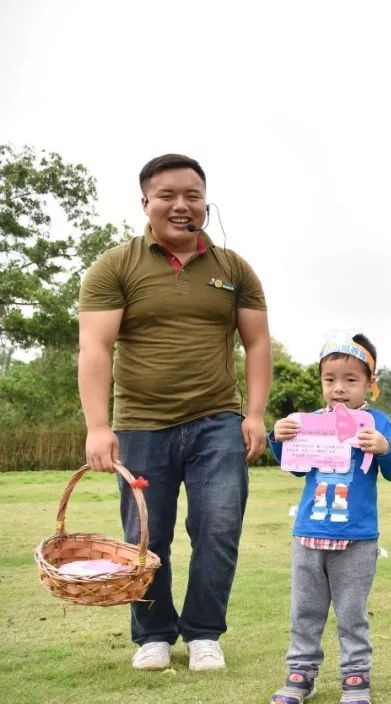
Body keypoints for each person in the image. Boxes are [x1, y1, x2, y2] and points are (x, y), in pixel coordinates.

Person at [77, 153, 271, 672]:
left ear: (206, 202)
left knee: (219, 528)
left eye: (193, 195)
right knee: (146, 534)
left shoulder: (234, 269)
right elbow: (95, 348)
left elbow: (257, 344)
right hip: (140, 426)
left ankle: (205, 633)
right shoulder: (115, 266)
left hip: (217, 421)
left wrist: (254, 414)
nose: (181, 205)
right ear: (146, 202)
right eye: (167, 195)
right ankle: (154, 635)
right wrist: (98, 426)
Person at [268, 332, 391, 704]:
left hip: (357, 538)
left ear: (370, 386)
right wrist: (278, 438)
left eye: (351, 380)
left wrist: (384, 447)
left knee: (351, 613)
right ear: (322, 383)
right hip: (309, 535)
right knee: (305, 611)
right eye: (330, 380)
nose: (339, 389)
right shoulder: (309, 422)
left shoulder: (376, 423)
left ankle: (356, 677)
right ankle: (299, 675)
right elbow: (294, 468)